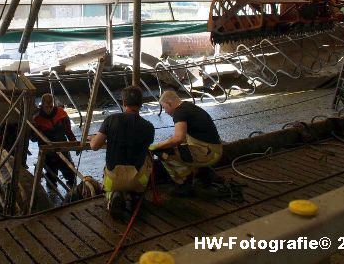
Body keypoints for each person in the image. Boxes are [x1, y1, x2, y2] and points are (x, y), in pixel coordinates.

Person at [90, 86, 155, 220]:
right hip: (137, 179)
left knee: (108, 181)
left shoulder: (111, 119)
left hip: (114, 179)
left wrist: (94, 138)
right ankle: (136, 196)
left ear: (123, 103)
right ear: (141, 104)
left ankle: (112, 195)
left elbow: (95, 146)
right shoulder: (149, 127)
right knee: (148, 160)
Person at [152, 90, 223, 190]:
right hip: (214, 150)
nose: (165, 111)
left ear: (169, 103)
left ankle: (185, 182)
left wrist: (156, 146)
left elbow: (178, 139)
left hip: (208, 153)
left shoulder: (179, 112)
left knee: (163, 152)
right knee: (182, 142)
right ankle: (204, 172)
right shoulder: (188, 106)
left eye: (164, 107)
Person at [32, 93, 77, 187]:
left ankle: (73, 189)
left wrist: (75, 144)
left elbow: (68, 131)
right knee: (51, 176)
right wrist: (35, 132)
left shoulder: (61, 113)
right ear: (42, 105)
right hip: (47, 150)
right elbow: (33, 139)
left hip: (62, 146)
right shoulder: (36, 117)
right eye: (46, 107)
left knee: (70, 171)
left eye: (50, 106)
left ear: (53, 104)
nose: (48, 109)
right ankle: (52, 192)